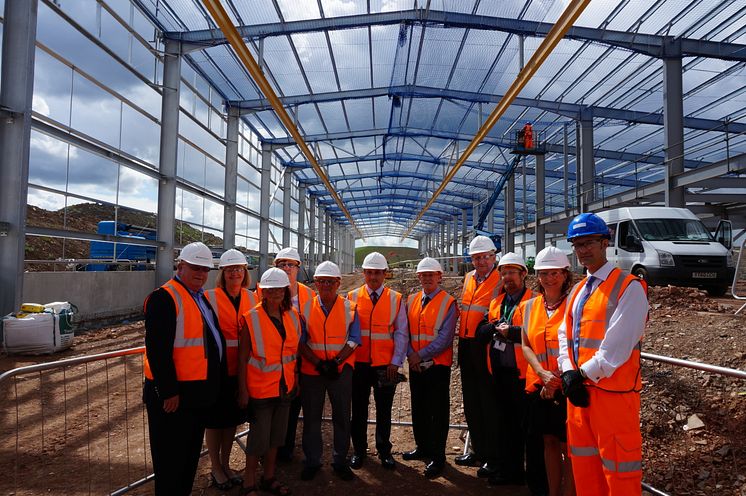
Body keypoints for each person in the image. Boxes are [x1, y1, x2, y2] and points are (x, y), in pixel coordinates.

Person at [558, 213, 648, 496]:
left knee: (619, 472)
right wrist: (567, 372)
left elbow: (617, 347)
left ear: (605, 242)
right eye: (577, 245)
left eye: (589, 243)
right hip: (579, 394)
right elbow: (565, 335)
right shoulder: (577, 291)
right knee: (585, 470)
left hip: (612, 397)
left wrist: (580, 374)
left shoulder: (629, 287)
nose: (583, 250)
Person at [142, 242, 225, 495]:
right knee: (170, 462)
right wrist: (167, 391)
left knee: (188, 459)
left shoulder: (199, 297)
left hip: (195, 395)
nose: (201, 274)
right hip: (174, 398)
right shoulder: (163, 298)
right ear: (181, 266)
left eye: (205, 270)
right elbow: (157, 349)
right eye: (195, 268)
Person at [475, 252, 543, 491]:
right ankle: (508, 471)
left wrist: (511, 332)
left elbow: (535, 333)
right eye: (503, 273)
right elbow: (480, 331)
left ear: (524, 274)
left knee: (527, 429)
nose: (507, 277)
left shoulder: (534, 301)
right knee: (505, 425)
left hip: (523, 376)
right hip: (500, 373)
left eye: (512, 272)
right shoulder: (496, 302)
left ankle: (529, 476)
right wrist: (492, 327)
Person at [237, 268, 301, 496]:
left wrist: (296, 381)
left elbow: (294, 353)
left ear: (286, 291)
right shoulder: (251, 318)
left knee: (276, 438)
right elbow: (243, 357)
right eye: (270, 290)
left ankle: (269, 477)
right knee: (258, 439)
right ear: (262, 291)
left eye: (279, 290)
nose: (274, 294)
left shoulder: (293, 316)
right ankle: (248, 482)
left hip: (285, 387)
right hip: (261, 389)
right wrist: (242, 390)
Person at [298, 261, 361, 482]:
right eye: (321, 281)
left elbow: (354, 339)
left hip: (340, 371)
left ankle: (339, 460)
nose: (326, 285)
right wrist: (318, 363)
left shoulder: (350, 307)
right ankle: (312, 460)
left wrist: (336, 362)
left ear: (338, 283)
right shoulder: (304, 308)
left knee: (342, 416)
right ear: (315, 283)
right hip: (312, 372)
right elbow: (301, 342)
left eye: (330, 281)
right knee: (312, 418)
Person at [520, 247, 576, 496]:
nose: (548, 278)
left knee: (570, 447)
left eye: (554, 273)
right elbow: (525, 344)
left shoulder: (575, 304)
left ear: (565, 274)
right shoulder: (530, 306)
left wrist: (556, 379)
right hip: (538, 387)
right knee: (549, 442)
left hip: (567, 386)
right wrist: (542, 374)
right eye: (543, 273)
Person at [347, 251, 408, 470]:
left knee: (384, 410)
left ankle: (384, 451)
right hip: (359, 364)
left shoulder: (396, 299)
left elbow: (401, 332)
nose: (373, 277)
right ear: (364, 273)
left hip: (385, 365)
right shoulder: (352, 297)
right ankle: (359, 451)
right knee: (359, 410)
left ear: (385, 274)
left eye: (378, 273)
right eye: (370, 272)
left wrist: (396, 361)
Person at [203, 249, 258, 489]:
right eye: (230, 269)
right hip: (218, 371)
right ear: (222, 273)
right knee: (215, 422)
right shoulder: (210, 297)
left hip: (241, 371)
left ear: (244, 272)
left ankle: (225, 464)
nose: (235, 273)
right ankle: (215, 466)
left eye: (239, 269)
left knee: (231, 421)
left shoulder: (252, 298)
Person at [257, 247, 316, 463]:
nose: (287, 268)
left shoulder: (309, 294)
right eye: (282, 264)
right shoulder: (261, 291)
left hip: (299, 360)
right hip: (270, 362)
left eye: (291, 264)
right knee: (269, 407)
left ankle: (285, 448)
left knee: (292, 405)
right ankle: (266, 449)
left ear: (298, 268)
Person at [403, 257, 457, 478]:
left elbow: (445, 339)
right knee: (419, 408)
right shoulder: (412, 299)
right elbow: (404, 331)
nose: (427, 278)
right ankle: (422, 447)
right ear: (418, 277)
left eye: (431, 275)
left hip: (436, 367)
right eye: (423, 275)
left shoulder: (448, 302)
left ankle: (438, 456)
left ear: (439, 277)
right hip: (417, 366)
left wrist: (418, 355)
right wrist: (410, 355)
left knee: (437, 412)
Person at [455, 236, 502, 476]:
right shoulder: (468, 279)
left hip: (486, 347)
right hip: (466, 345)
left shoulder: (501, 279)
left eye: (485, 256)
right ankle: (477, 450)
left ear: (494, 257)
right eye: (476, 257)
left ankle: (492, 456)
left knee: (488, 403)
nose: (481, 261)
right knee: (472, 401)